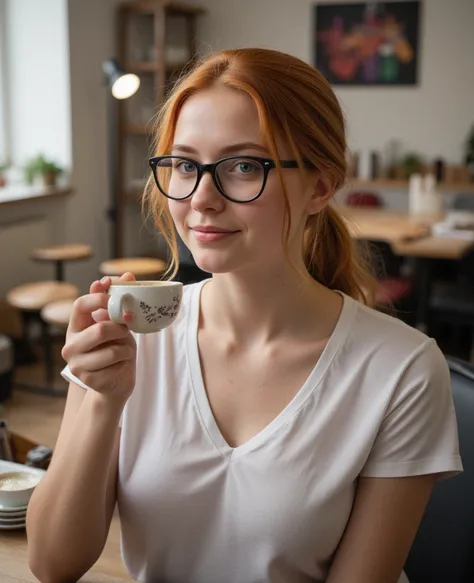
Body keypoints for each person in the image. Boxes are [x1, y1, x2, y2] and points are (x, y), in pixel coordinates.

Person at [26, 48, 462, 583]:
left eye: (243, 166)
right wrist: (101, 401)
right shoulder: (133, 338)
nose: (201, 199)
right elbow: (52, 563)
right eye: (185, 164)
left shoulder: (402, 368)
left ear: (321, 186)